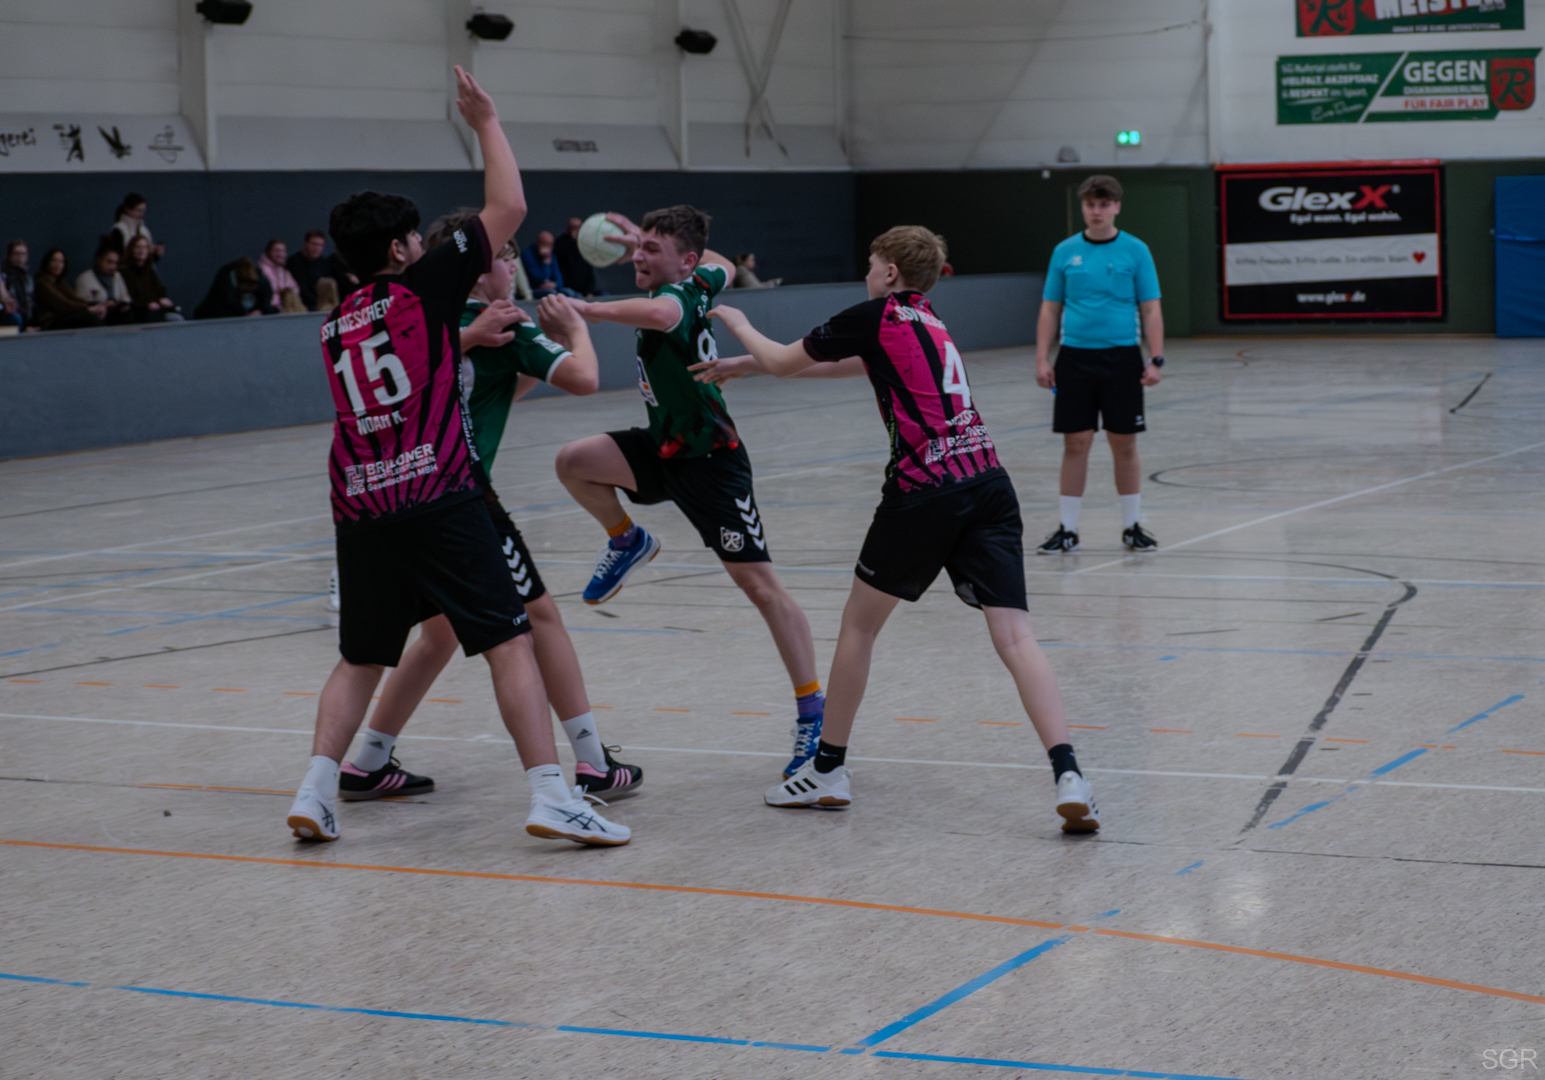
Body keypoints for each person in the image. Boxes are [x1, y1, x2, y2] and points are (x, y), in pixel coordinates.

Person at [284, 65, 628, 847]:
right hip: (437, 494)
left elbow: (416, 366)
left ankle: (317, 790)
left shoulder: (336, 324)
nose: (422, 247)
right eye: (414, 240)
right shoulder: (426, 286)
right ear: (401, 247)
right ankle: (552, 795)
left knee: (360, 659)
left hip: (360, 504)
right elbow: (509, 207)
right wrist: (486, 123)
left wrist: (466, 338)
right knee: (508, 641)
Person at [698, 225, 1100, 833]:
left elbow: (785, 359)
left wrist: (737, 321)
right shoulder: (930, 321)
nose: (866, 273)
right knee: (1017, 638)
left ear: (889, 272)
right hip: (988, 483)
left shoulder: (874, 313)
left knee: (858, 626)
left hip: (923, 492)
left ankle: (827, 769)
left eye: (870, 263)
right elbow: (855, 367)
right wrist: (746, 367)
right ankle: (1069, 774)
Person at [335, 210, 642, 803]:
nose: (512, 268)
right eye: (506, 257)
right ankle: (591, 761)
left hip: (393, 498)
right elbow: (584, 378)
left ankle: (366, 761)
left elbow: (499, 386)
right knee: (539, 620)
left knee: (438, 636)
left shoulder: (416, 325)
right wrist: (574, 329)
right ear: (480, 269)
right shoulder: (505, 327)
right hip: (459, 500)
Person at [554, 205, 828, 779]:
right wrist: (643, 237)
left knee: (762, 588)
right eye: (638, 246)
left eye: (651, 250)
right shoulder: (700, 280)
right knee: (575, 462)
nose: (637, 255)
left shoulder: (676, 298)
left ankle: (813, 715)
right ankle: (627, 540)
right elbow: (721, 263)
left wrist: (588, 311)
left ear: (684, 261)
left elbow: (659, 312)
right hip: (663, 447)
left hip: (711, 464)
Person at [1034, 174, 1163, 555]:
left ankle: (1132, 526)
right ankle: (1068, 529)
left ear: (1117, 207)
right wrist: (1042, 357)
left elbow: (1151, 308)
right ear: (1083, 207)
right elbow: (1050, 308)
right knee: (1075, 442)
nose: (1097, 211)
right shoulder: (1065, 252)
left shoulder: (1136, 250)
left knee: (1124, 443)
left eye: (1104, 204)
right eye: (1091, 204)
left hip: (1122, 357)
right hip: (1075, 358)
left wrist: (1155, 358)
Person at [32, 249, 108, 330]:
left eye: (61, 262)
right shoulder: (41, 282)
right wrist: (86, 309)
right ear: (47, 262)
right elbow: (63, 304)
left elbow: (75, 298)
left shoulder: (60, 282)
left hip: (65, 316)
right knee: (88, 317)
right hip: (50, 320)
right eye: (54, 261)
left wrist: (95, 305)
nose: (58, 265)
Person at [120, 235, 182, 321]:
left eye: (144, 247)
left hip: (155, 307)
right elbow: (136, 295)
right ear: (131, 249)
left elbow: (159, 290)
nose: (141, 250)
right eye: (138, 247)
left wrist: (162, 300)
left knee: (176, 316)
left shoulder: (149, 269)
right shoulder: (125, 271)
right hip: (138, 310)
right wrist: (157, 301)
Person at [193, 256, 273, 319]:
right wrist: (243, 317)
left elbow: (266, 306)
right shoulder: (224, 284)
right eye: (245, 288)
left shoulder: (261, 282)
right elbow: (218, 311)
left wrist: (260, 311)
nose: (247, 290)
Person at [74, 244, 134, 324]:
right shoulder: (84, 278)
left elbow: (125, 297)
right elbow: (84, 304)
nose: (113, 267)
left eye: (115, 263)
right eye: (109, 262)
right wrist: (104, 305)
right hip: (98, 316)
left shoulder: (117, 276)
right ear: (99, 260)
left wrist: (119, 304)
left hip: (117, 314)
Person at [553, 216, 597, 297]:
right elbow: (562, 254)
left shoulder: (585, 245)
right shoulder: (561, 243)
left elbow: (589, 272)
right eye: (573, 227)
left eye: (578, 227)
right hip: (567, 288)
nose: (576, 230)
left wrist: (590, 291)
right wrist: (573, 238)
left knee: (603, 295)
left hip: (583, 287)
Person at [111, 193, 163, 260]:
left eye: (143, 211)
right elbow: (118, 255)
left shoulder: (144, 230)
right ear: (127, 209)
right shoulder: (119, 229)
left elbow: (149, 260)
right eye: (138, 210)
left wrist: (155, 252)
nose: (142, 214)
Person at [286, 231, 329, 310]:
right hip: (304, 306)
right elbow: (302, 289)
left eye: (320, 245)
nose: (316, 248)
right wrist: (318, 303)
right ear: (305, 244)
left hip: (323, 304)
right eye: (314, 244)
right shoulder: (295, 262)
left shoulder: (323, 262)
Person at [258, 239, 302, 311]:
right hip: (271, 310)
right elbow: (269, 293)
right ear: (269, 252)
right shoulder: (262, 270)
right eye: (276, 251)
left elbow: (295, 289)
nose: (280, 254)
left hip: (288, 308)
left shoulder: (284, 271)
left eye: (283, 251)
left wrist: (284, 293)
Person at [521, 231, 565, 296]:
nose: (548, 248)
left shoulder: (552, 256)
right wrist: (545, 263)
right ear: (538, 243)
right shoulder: (528, 255)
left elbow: (559, 279)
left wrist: (554, 284)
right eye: (545, 244)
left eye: (550, 245)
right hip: (534, 290)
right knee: (552, 293)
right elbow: (539, 280)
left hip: (551, 287)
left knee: (569, 292)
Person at [3, 241, 34, 328]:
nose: (20, 257)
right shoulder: (5, 277)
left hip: (28, 318)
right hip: (11, 316)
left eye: (23, 254)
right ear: (9, 255)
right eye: (17, 254)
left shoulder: (28, 279)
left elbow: (30, 302)